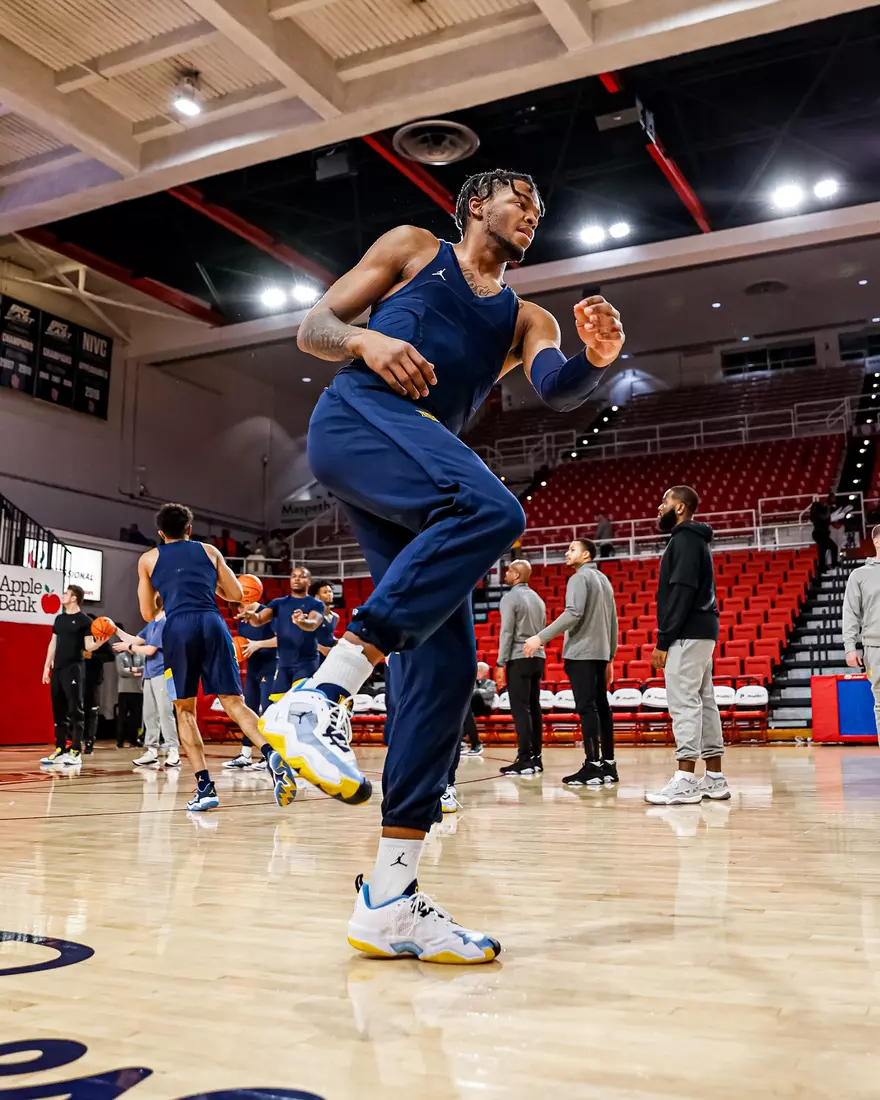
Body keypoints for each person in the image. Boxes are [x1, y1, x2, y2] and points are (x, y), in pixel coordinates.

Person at [260, 168, 624, 963]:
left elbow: (557, 389)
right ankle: (319, 697)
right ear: (472, 206)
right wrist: (366, 338)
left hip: (420, 472)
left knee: (447, 670)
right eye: (518, 200)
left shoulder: (526, 317)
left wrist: (597, 359)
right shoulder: (413, 248)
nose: (531, 212)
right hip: (359, 419)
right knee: (495, 510)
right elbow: (314, 325)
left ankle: (388, 899)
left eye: (539, 206)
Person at [135, 502, 298, 812]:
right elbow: (237, 595)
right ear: (189, 530)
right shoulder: (209, 551)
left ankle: (205, 787)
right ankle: (270, 752)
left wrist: (164, 592)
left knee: (185, 711)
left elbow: (147, 612)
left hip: (179, 627)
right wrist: (209, 588)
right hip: (212, 622)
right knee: (234, 702)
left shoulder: (148, 559)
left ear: (160, 533)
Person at [645, 486, 729, 806]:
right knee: (705, 702)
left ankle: (685, 780)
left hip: (687, 632)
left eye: (664, 501)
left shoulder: (684, 539)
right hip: (702, 629)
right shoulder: (694, 539)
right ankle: (715, 778)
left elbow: (681, 591)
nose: (659, 506)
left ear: (679, 508)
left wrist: (664, 639)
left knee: (683, 703)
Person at [525, 539, 618, 786]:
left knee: (587, 709)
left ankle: (592, 766)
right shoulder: (604, 579)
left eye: (572, 549)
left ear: (586, 555)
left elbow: (573, 613)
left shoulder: (578, 578)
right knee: (602, 708)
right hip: (599, 653)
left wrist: (539, 637)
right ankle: (608, 765)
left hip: (581, 653)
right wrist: (610, 656)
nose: (567, 553)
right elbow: (613, 621)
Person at [40, 585, 108, 766]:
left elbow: (87, 646)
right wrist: (47, 667)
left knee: (75, 708)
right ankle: (60, 748)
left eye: (65, 594)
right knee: (58, 709)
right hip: (58, 669)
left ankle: (76, 750)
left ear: (74, 598)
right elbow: (52, 644)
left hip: (74, 669)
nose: (62, 596)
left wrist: (99, 643)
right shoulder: (59, 619)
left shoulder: (84, 620)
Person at [239, 566, 324, 696]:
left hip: (306, 664)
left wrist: (301, 622)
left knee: (301, 702)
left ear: (309, 582)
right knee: (277, 706)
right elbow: (259, 619)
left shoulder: (316, 604)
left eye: (301, 576)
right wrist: (252, 616)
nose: (297, 579)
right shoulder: (278, 603)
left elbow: (313, 624)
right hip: (284, 665)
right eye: (294, 576)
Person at [495, 559, 546, 774]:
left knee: (520, 709)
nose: (505, 574)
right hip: (538, 656)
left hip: (518, 656)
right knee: (534, 708)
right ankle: (536, 758)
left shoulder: (510, 598)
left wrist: (500, 662)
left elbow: (507, 632)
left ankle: (524, 758)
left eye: (508, 571)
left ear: (516, 576)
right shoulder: (538, 598)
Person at [113, 603, 180, 767]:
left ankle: (173, 750)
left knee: (165, 712)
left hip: (163, 673)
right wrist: (114, 629)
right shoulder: (151, 624)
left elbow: (150, 650)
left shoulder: (164, 622)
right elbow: (134, 639)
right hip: (149, 674)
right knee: (149, 714)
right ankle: (151, 750)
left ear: (156, 604)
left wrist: (129, 647)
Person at [224, 597, 278, 770]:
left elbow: (281, 639)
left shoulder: (266, 612)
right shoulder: (242, 617)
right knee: (249, 709)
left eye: (240, 606)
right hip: (252, 668)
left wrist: (258, 644)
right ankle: (245, 754)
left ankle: (268, 754)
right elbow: (243, 644)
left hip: (270, 668)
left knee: (267, 710)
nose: (239, 611)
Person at [843, 524, 880, 742]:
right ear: (877, 541)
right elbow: (850, 613)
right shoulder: (859, 575)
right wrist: (850, 647)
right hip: (875, 648)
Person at [83, 617, 115, 754]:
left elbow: (111, 656)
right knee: (77, 710)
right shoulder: (80, 638)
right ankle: (74, 739)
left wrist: (92, 656)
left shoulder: (100, 637)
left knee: (92, 711)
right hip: (78, 677)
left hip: (94, 679)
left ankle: (90, 741)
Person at [461, 661, 496, 757]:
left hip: (485, 707)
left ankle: (473, 742)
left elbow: (489, 694)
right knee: (465, 708)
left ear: (485, 673)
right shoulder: (472, 682)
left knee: (475, 696)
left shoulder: (490, 683)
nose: (478, 673)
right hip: (473, 707)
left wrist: (477, 692)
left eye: (480, 671)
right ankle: (462, 741)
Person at [114, 644, 145, 748]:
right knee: (122, 716)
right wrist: (136, 672)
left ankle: (134, 739)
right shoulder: (120, 656)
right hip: (124, 690)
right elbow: (121, 671)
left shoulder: (141, 656)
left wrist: (131, 669)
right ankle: (120, 740)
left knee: (136, 717)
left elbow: (144, 668)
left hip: (138, 690)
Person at [809, 493, 838, 576]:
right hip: (819, 534)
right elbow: (825, 517)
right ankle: (827, 566)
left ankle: (824, 566)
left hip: (822, 534)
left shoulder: (818, 512)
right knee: (829, 548)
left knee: (823, 550)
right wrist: (828, 507)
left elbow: (827, 518)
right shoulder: (817, 513)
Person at [310, 579, 340, 656]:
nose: (329, 594)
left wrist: (337, 641)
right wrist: (323, 649)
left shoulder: (336, 617)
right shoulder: (313, 615)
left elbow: (328, 636)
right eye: (325, 592)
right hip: (314, 656)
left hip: (328, 657)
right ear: (317, 597)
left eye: (330, 591)